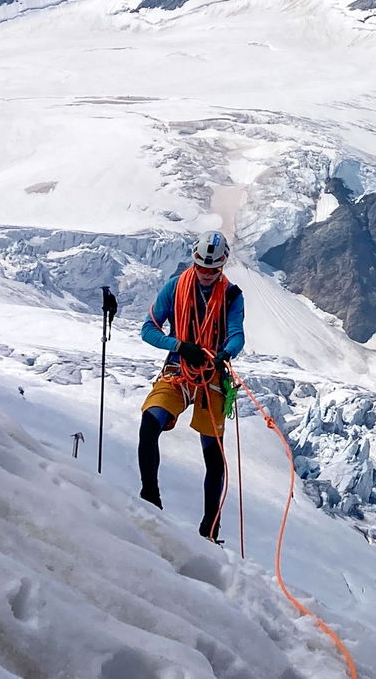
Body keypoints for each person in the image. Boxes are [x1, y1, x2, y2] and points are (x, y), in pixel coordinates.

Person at [138, 229, 245, 541]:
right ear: (195, 262)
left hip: (211, 375)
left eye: (213, 270)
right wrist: (180, 345)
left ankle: (209, 529)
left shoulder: (231, 295)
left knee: (214, 456)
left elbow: (236, 333)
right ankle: (150, 498)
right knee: (149, 422)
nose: (207, 274)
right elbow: (148, 329)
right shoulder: (176, 287)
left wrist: (223, 354)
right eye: (203, 268)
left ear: (222, 266)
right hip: (179, 367)